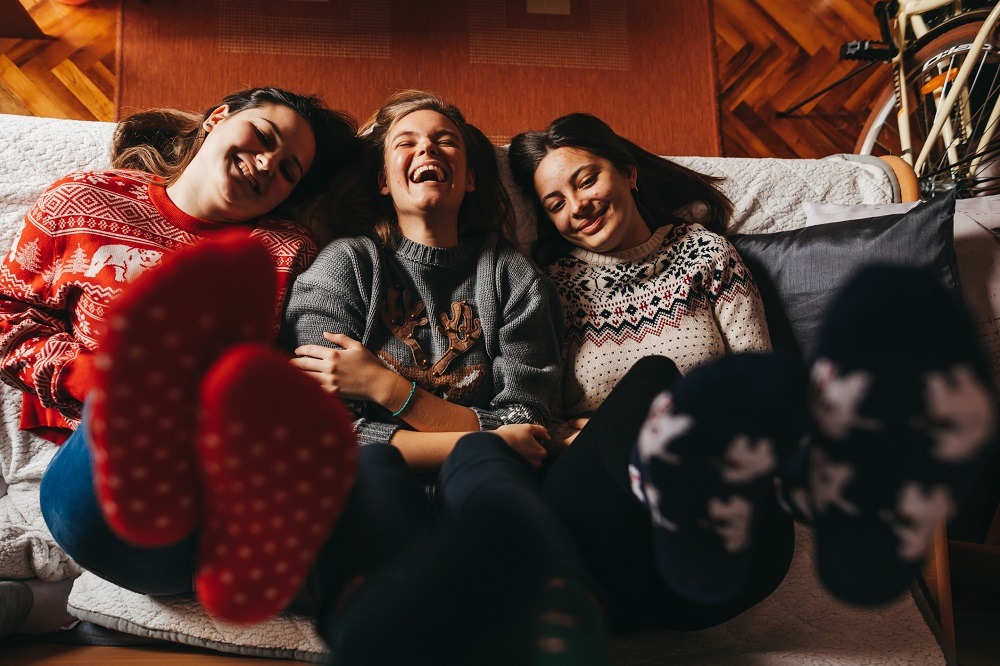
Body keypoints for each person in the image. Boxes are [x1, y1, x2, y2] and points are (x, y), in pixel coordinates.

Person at [509, 114, 998, 630]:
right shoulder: (551, 287)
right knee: (652, 378)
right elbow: (537, 410)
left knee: (675, 393)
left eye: (586, 180)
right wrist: (582, 433)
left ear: (628, 174)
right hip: (600, 542)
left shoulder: (706, 255)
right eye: (555, 203)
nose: (577, 207)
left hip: (720, 560)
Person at [1, 87, 366, 626]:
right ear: (216, 118)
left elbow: (303, 374)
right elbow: (8, 315)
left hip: (215, 476)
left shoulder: (286, 251)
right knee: (134, 405)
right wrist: (85, 377)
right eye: (262, 136)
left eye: (289, 170)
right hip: (98, 459)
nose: (267, 164)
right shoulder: (85, 199)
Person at [282, 90, 611, 663]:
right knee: (375, 463)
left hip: (481, 499)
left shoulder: (514, 278)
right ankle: (369, 621)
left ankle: (553, 615)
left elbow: (527, 427)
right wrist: (485, 435)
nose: (426, 149)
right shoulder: (345, 266)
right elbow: (326, 440)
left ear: (472, 178)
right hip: (374, 496)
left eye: (445, 141)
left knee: (478, 462)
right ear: (384, 181)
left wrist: (388, 389)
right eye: (405, 142)